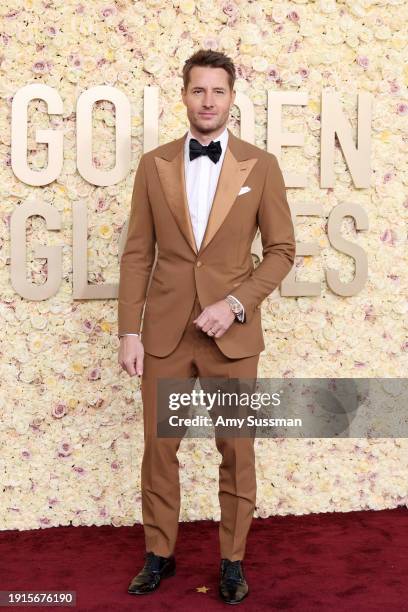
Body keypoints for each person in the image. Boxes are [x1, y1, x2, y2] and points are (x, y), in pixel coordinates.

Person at [117, 48, 296, 605]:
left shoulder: (260, 165)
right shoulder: (154, 164)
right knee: (159, 447)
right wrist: (130, 331)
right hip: (165, 332)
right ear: (184, 95)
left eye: (218, 91)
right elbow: (137, 254)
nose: (208, 100)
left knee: (237, 450)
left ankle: (233, 562)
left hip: (232, 335)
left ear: (232, 98)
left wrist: (236, 304)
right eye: (199, 90)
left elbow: (282, 250)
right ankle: (159, 554)